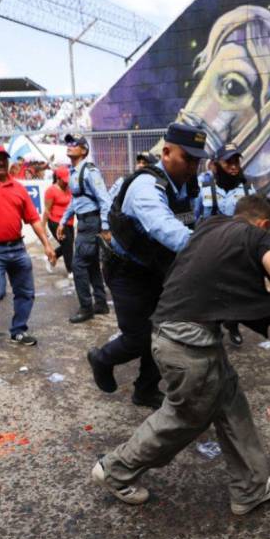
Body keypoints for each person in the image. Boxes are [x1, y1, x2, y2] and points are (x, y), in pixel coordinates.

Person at [91, 195, 270, 511]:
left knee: (231, 404)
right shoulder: (255, 235)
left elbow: (228, 275)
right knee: (185, 416)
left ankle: (249, 488)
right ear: (263, 224)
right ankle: (116, 470)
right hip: (188, 343)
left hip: (178, 334)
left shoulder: (210, 227)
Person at [87, 123, 207, 410]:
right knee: (138, 337)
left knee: (162, 334)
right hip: (127, 272)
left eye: (197, 160)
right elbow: (166, 229)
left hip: (160, 269)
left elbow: (195, 222)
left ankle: (145, 389)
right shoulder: (146, 186)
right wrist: (211, 252)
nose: (193, 166)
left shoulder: (189, 185)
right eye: (187, 158)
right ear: (166, 152)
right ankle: (102, 358)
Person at [194, 143, 252, 345]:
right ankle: (214, 325)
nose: (234, 166)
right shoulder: (204, 187)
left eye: (236, 162)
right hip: (211, 246)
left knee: (235, 288)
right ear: (216, 164)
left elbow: (254, 219)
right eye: (229, 162)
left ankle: (233, 324)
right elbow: (195, 216)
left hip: (237, 246)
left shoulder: (247, 188)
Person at [0, 145, 57, 346]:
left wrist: (47, 245)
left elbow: (33, 219)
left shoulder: (19, 189)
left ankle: (18, 331)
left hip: (18, 249)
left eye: (3, 158)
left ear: (7, 162)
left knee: (26, 293)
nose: (0, 162)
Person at [58, 134, 111, 324]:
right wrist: (64, 221)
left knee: (78, 265)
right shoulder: (74, 172)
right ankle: (101, 303)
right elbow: (75, 201)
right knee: (92, 265)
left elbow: (105, 200)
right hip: (85, 222)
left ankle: (86, 307)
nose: (70, 146)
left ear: (84, 150)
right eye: (69, 144)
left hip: (90, 223)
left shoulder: (89, 171)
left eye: (75, 144)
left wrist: (105, 226)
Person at [43, 166, 74, 276]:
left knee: (68, 245)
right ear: (58, 178)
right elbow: (47, 210)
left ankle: (51, 256)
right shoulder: (51, 191)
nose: (66, 183)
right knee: (67, 244)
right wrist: (43, 227)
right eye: (64, 180)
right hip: (55, 222)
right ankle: (71, 270)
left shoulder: (70, 188)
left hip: (69, 222)